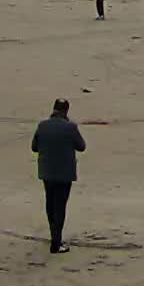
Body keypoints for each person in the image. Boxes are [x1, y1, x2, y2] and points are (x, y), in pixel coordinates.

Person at [31, 99, 87, 254]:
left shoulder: (42, 125)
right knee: (60, 206)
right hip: (64, 173)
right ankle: (56, 242)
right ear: (66, 111)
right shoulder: (71, 127)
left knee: (50, 203)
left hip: (47, 171)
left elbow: (34, 147)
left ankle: (54, 237)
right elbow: (81, 146)